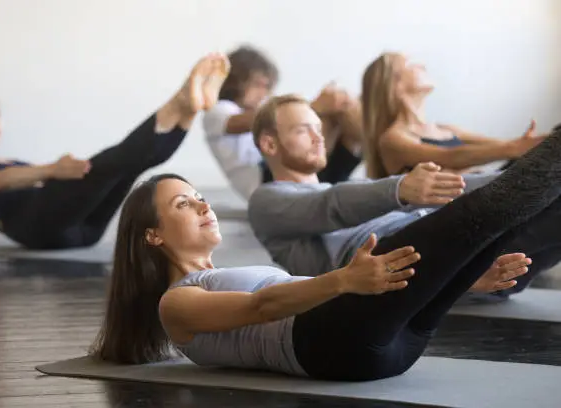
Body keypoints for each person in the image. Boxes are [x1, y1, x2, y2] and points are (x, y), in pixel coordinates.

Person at [90, 124, 561, 381]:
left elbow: (288, 300)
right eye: (182, 203)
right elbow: (262, 306)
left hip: (386, 347)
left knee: (490, 233)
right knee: (481, 214)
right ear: (152, 235)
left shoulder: (215, 278)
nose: (202, 203)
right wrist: (343, 281)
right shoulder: (175, 303)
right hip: (328, 344)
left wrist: (468, 278)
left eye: (198, 195)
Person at [248, 94, 561, 298]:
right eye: (304, 130)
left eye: (319, 128)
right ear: (270, 145)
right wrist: (398, 189)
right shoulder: (265, 203)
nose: (319, 138)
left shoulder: (340, 189)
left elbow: (460, 189)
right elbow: (329, 206)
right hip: (439, 257)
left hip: (463, 262)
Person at [0, 53, 230, 249]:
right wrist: (52, 170)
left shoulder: (13, 162)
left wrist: (54, 173)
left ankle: (188, 111)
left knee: (129, 165)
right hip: (40, 231)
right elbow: (3, 180)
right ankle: (180, 100)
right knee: (111, 161)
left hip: (84, 232)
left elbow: (20, 176)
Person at [202, 45, 363, 200]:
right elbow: (259, 120)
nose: (264, 93)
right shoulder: (218, 111)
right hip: (268, 180)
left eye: (267, 87)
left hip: (287, 171)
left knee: (341, 113)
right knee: (328, 114)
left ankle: (370, 137)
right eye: (258, 84)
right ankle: (373, 138)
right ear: (236, 81)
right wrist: (315, 106)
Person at [360, 52, 549, 179]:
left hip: (483, 191)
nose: (422, 65)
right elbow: (449, 156)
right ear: (395, 87)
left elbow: (502, 145)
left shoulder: (446, 129)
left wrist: (534, 145)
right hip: (453, 213)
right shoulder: (393, 139)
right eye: (411, 64)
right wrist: (514, 148)